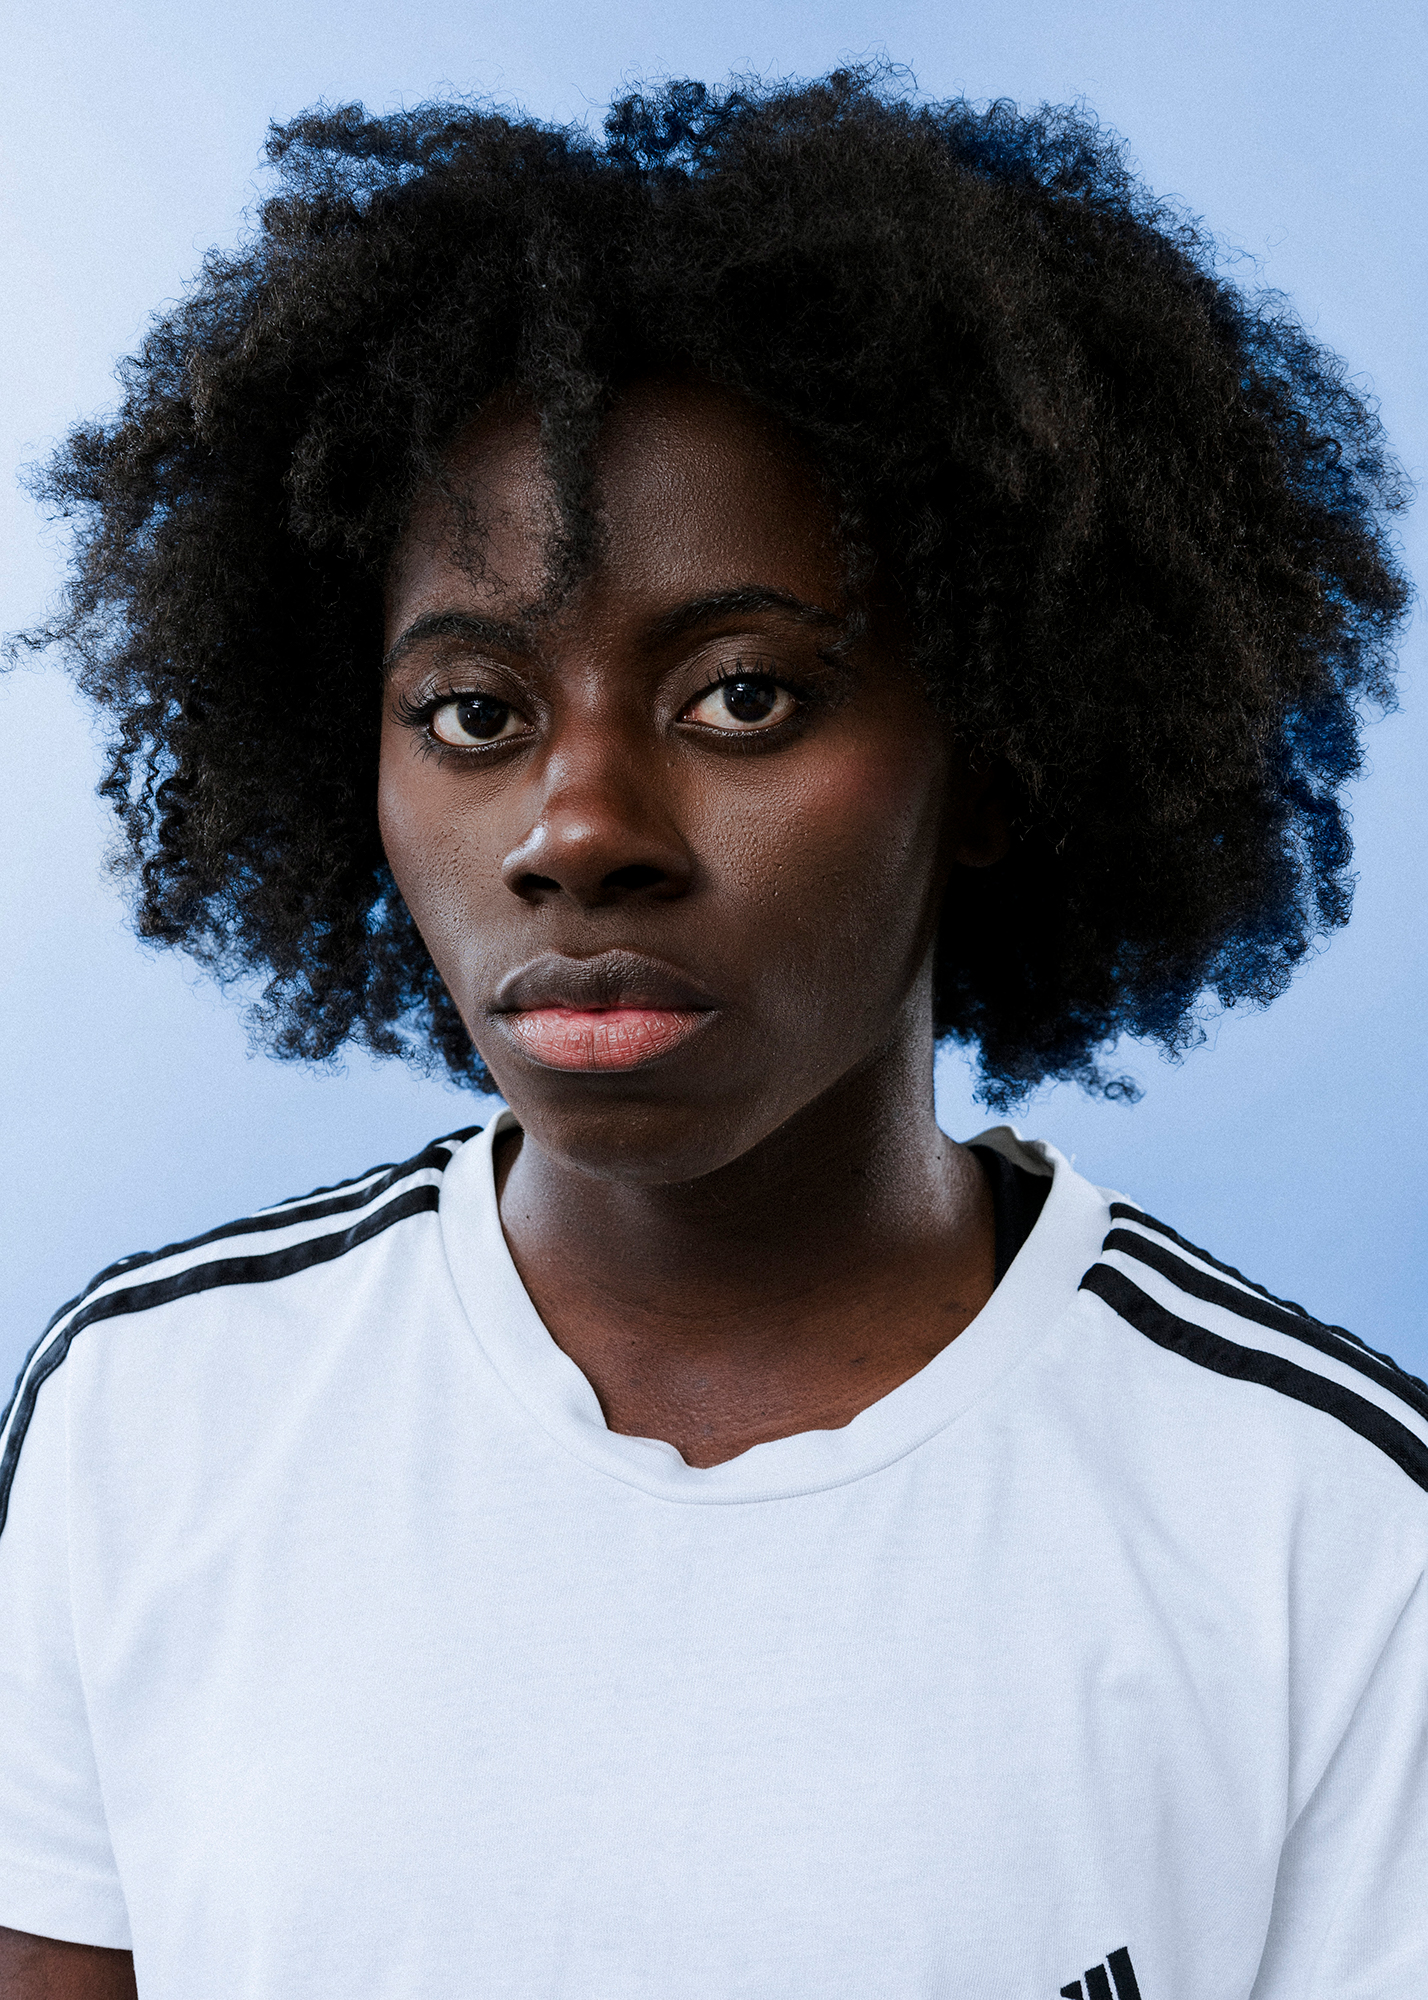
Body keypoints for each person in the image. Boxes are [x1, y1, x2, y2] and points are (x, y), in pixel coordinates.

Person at [0, 69, 1421, 2000]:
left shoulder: (1327, 1526)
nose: (577, 833)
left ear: (993, 752)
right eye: (477, 713)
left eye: (745, 695)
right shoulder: (146, 1421)